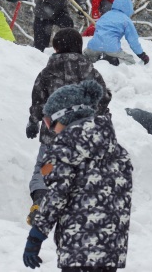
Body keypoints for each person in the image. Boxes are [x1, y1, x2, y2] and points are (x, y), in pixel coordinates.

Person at [22, 80, 132, 271]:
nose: (49, 128)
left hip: (78, 247)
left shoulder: (65, 147)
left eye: (49, 121)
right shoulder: (117, 151)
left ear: (64, 117)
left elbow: (56, 195)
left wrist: (36, 235)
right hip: (111, 249)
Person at [25, 28, 112, 226]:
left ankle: (40, 202)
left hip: (52, 136)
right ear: (79, 47)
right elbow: (103, 98)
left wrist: (33, 121)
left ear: (55, 47)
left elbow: (38, 102)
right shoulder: (90, 71)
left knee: (43, 171)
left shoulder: (46, 73)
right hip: (84, 136)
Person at [83, 0, 149, 66]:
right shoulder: (126, 20)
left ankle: (91, 58)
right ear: (129, 7)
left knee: (86, 54)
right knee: (131, 61)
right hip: (111, 48)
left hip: (93, 46)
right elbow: (133, 40)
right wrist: (141, 54)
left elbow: (97, 28)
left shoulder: (105, 15)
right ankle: (112, 60)